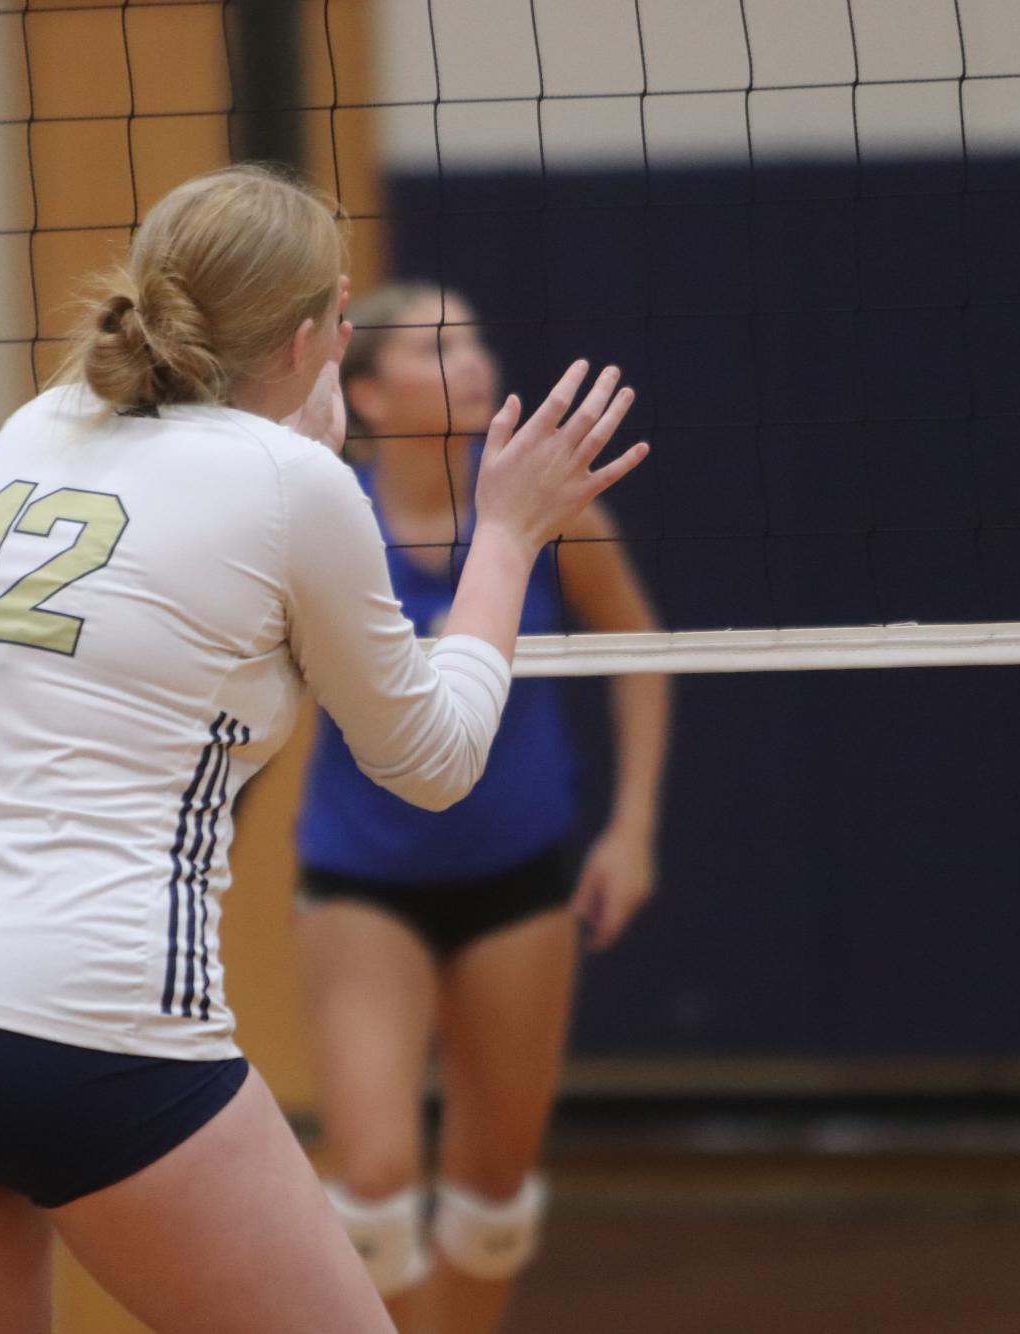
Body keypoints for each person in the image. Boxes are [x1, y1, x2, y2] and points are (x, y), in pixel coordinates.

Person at [0, 164, 648, 1334]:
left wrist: (294, 423)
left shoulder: (36, 423)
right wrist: (508, 535)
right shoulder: (297, 483)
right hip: (91, 1016)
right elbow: (435, 758)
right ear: (315, 336)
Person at [293, 285, 672, 1333]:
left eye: (473, 338)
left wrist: (631, 826)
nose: (470, 359)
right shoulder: (328, 513)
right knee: (371, 1170)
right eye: (434, 344)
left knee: (494, 1181)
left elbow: (644, 652)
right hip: (362, 877)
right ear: (365, 391)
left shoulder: (553, 512)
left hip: (519, 875)